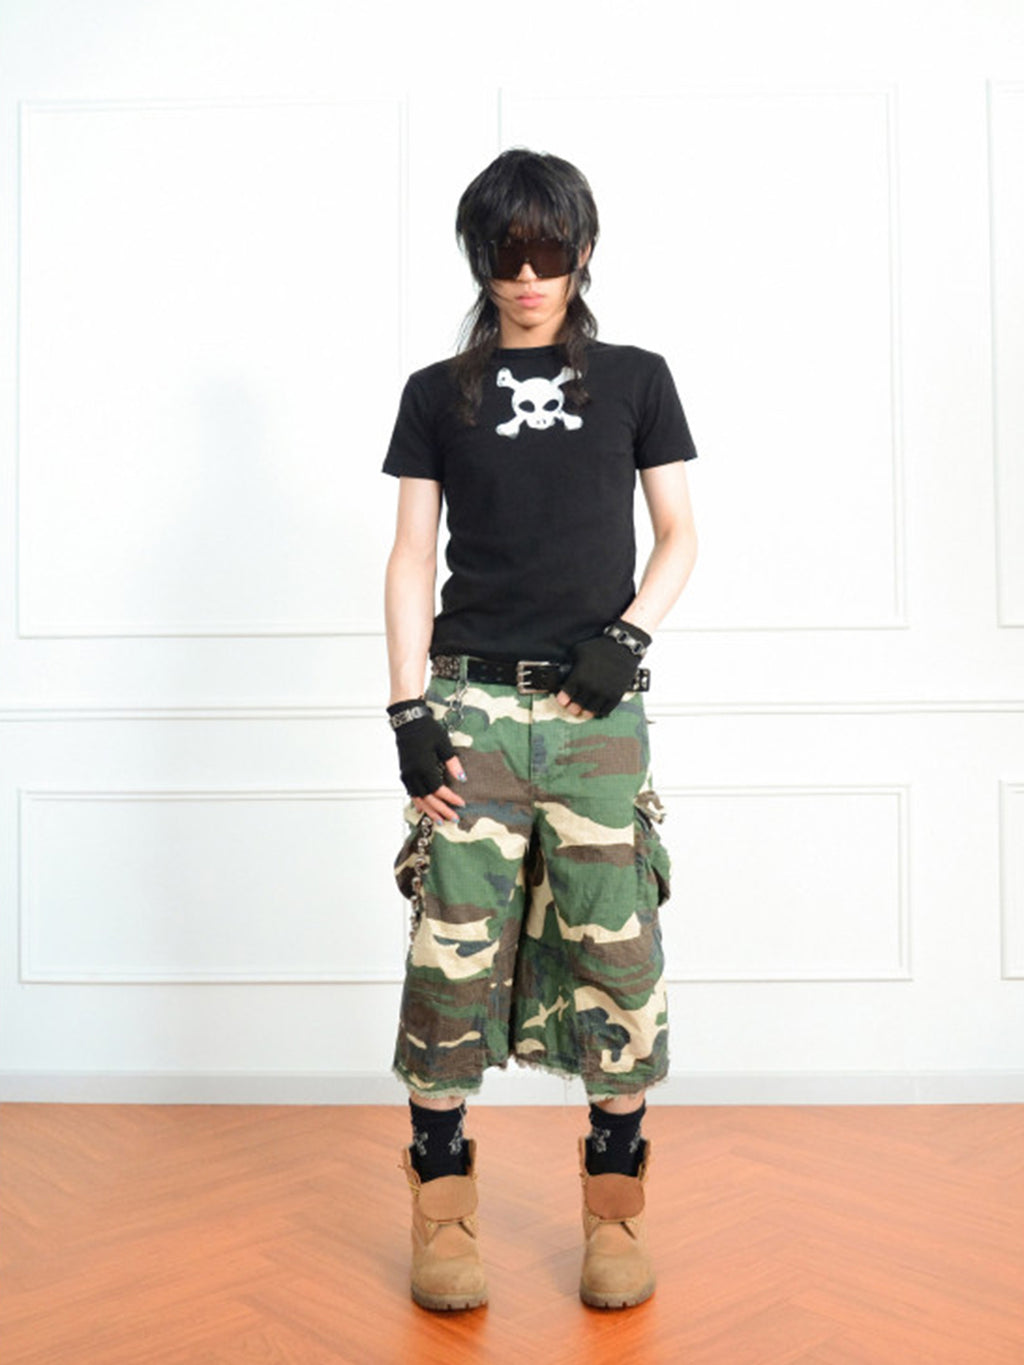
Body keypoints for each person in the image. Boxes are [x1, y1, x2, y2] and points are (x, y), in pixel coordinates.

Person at [382, 147, 698, 1312]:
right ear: (479, 259)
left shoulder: (636, 380)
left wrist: (628, 637)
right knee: (449, 953)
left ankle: (614, 1219)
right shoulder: (438, 393)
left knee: (619, 954)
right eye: (504, 254)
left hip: (594, 716)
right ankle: (442, 1219)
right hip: (470, 708)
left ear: (581, 253)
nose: (526, 276)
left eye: (547, 252)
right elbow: (411, 555)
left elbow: (679, 534)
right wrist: (408, 710)